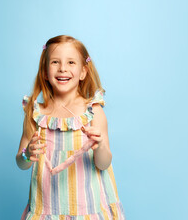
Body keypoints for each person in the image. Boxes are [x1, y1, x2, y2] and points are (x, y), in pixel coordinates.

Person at [16, 35, 125, 219]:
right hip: (48, 209)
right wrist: (28, 154)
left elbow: (104, 163)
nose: (63, 68)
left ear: (83, 72)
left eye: (71, 62)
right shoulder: (36, 114)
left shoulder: (93, 112)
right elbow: (21, 163)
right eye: (55, 62)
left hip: (88, 209)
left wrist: (100, 148)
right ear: (45, 71)